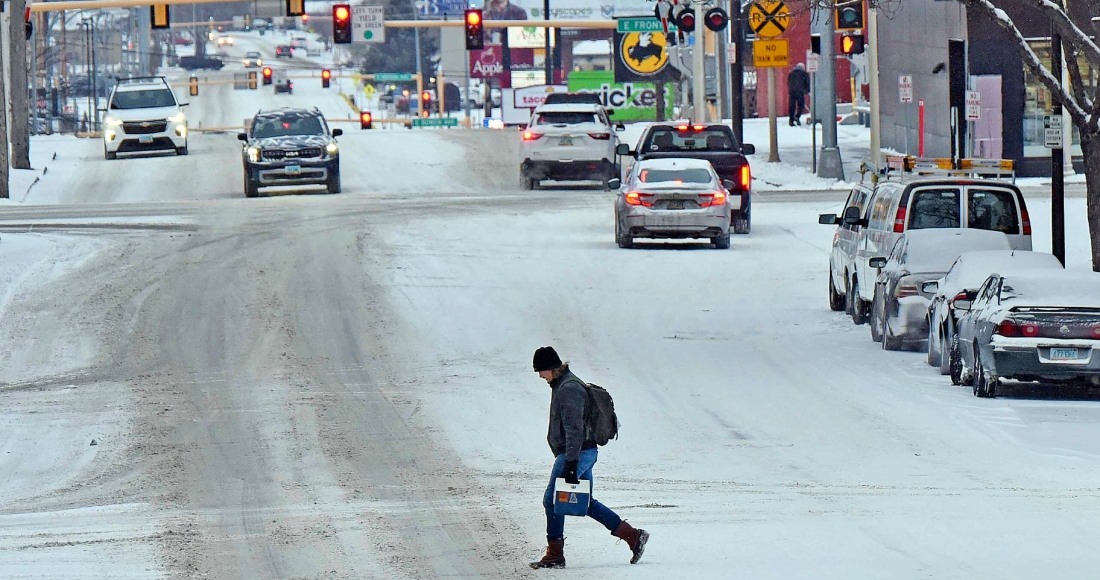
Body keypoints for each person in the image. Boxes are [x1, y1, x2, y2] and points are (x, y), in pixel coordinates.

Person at [529, 346, 649, 570]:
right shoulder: (561, 384)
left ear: (552, 368)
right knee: (585, 502)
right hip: (581, 452)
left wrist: (571, 464)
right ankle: (634, 536)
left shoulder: (569, 388)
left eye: (541, 371)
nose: (540, 376)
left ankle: (555, 554)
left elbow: (574, 429)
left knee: (552, 500)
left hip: (576, 453)